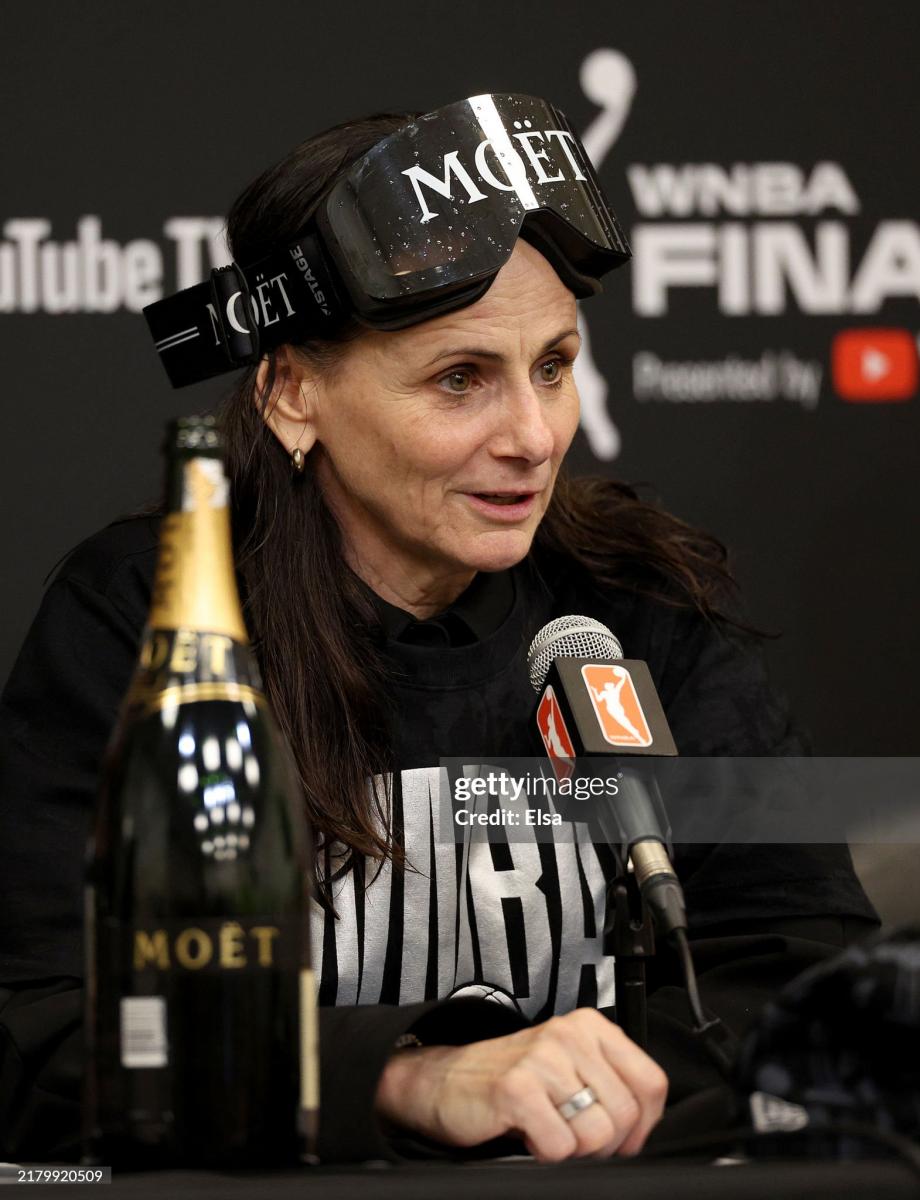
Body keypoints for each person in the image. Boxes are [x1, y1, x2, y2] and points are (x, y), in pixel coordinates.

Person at [0, 94, 877, 1165]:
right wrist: (408, 1080)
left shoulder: (634, 604)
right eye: (459, 379)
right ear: (289, 392)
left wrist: (565, 1104)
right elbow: (43, 1032)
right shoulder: (150, 617)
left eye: (552, 366)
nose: (534, 435)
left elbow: (805, 987)